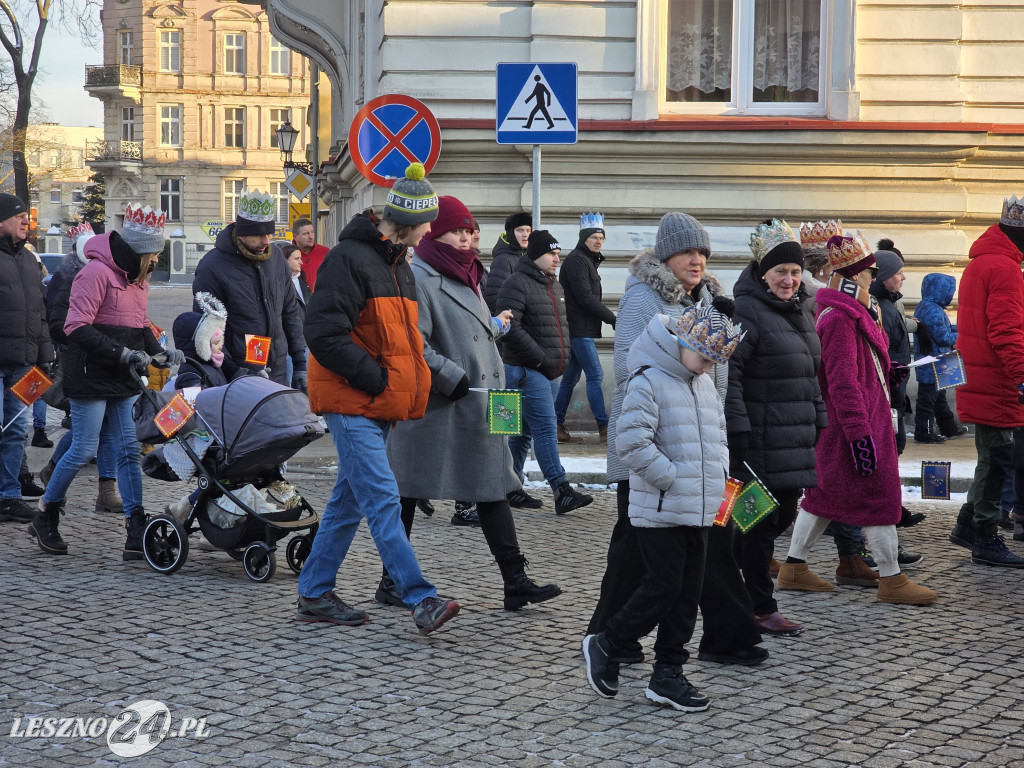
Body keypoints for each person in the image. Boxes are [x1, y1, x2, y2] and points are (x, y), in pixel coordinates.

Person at [590, 212, 763, 668]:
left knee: (712, 544)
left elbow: (719, 378)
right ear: (666, 255)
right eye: (688, 251)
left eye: (703, 252)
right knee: (632, 549)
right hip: (654, 446)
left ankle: (727, 635)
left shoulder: (711, 301)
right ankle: (609, 637)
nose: (697, 260)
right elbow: (629, 366)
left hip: (702, 443)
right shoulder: (644, 299)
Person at [296, 162, 460, 635]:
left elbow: (402, 340)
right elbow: (324, 334)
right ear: (408, 221)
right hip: (353, 402)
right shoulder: (349, 259)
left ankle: (314, 591)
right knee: (383, 497)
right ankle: (420, 597)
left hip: (376, 401)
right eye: (427, 222)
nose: (431, 230)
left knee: (349, 502)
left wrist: (397, 386)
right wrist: (378, 381)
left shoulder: (397, 264)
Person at [384, 195, 562, 611]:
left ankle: (515, 580)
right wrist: (452, 376)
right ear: (435, 234)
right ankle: (391, 580)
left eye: (469, 231)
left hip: (487, 401)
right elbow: (416, 345)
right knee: (408, 490)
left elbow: (474, 334)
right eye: (455, 231)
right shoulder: (422, 278)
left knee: (495, 483)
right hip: (444, 404)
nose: (465, 238)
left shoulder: (468, 275)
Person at [583, 307, 743, 713]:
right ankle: (608, 642)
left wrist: (719, 477)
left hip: (701, 507)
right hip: (661, 508)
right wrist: (672, 479)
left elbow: (718, 435)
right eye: (705, 358)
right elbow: (632, 444)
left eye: (714, 362)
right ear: (684, 344)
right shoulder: (649, 380)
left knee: (688, 594)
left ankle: (668, 673)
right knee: (663, 587)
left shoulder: (702, 383)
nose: (709, 368)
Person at [778, 231, 938, 604]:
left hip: (861, 424)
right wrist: (858, 433)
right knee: (879, 498)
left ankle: (793, 567)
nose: (874, 278)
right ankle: (892, 579)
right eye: (868, 273)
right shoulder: (839, 318)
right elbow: (841, 382)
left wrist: (887, 370)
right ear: (854, 276)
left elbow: (858, 368)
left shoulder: (851, 311)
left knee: (822, 499)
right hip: (857, 428)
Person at [28, 203, 183, 558]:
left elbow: (138, 325)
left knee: (129, 450)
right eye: (154, 254)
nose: (157, 261)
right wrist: (120, 353)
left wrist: (160, 350)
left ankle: (135, 524)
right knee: (83, 447)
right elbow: (74, 326)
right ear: (139, 251)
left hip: (122, 376)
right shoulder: (96, 273)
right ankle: (47, 514)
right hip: (91, 373)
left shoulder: (137, 281)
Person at [726, 219, 827, 637]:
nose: (788, 279)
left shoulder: (803, 309)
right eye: (780, 271)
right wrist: (739, 431)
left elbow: (810, 372)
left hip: (795, 433)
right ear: (763, 273)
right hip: (760, 437)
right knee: (761, 522)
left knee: (777, 515)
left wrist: (820, 419)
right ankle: (759, 605)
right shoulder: (746, 310)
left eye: (795, 272)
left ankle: (731, 578)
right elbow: (728, 374)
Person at [948, 195, 1024, 567]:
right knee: (997, 458)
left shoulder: (984, 262)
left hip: (982, 375)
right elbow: (1007, 332)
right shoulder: (1005, 268)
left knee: (990, 457)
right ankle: (984, 537)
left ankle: (968, 525)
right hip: (995, 378)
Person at [497, 230, 594, 515]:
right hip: (527, 371)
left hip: (548, 371)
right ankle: (561, 489)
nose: (556, 258)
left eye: (557, 253)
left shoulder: (553, 285)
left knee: (522, 432)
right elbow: (509, 327)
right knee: (545, 429)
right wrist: (540, 359)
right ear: (536, 255)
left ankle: (510, 487)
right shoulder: (516, 283)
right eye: (551, 253)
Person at [38, 223, 124, 515]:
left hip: (110, 361)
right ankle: (52, 475)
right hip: (84, 362)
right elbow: (59, 323)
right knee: (85, 434)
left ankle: (107, 490)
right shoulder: (69, 277)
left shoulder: (115, 273)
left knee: (107, 428)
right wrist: (86, 338)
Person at [192, 188, 306, 387]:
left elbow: (290, 312)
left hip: (278, 370)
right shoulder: (213, 267)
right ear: (242, 234)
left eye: (268, 234)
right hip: (238, 375)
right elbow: (207, 330)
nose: (266, 241)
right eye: (258, 235)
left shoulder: (276, 258)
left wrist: (300, 362)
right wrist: (233, 371)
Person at [0, 193, 54, 525]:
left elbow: (41, 315)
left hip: (23, 363)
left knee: (16, 430)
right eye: (18, 216)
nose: (25, 220)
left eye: (26, 216)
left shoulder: (30, 262)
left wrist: (44, 356)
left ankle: (9, 496)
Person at [554, 212, 616, 444]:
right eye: (594, 237)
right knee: (595, 375)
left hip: (582, 328)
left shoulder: (586, 261)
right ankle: (604, 427)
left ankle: (556, 424)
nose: (598, 241)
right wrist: (612, 318)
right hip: (578, 330)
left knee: (570, 378)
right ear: (584, 238)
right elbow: (585, 298)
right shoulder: (578, 261)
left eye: (601, 237)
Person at [913, 273, 966, 443]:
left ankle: (948, 428)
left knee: (939, 398)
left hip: (935, 361)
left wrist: (958, 328)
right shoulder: (933, 310)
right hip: (934, 362)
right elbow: (943, 337)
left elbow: (943, 328)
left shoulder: (927, 306)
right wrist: (963, 335)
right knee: (928, 401)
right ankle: (924, 432)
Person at [869, 249, 911, 454]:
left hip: (895, 394)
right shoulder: (880, 308)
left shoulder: (887, 304)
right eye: (898, 272)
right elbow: (881, 357)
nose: (903, 277)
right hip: (889, 398)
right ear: (884, 278)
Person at [483, 212, 531, 313]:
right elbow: (494, 297)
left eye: (528, 230)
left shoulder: (530, 257)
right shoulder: (503, 260)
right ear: (511, 232)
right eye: (520, 230)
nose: (525, 235)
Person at [283, 243, 311, 388]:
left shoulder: (302, 280)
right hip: (288, 343)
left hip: (305, 340)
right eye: (296, 259)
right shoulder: (281, 283)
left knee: (304, 382)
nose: (301, 262)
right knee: (288, 382)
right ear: (284, 260)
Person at [292, 217, 328, 290]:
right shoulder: (287, 256)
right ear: (295, 237)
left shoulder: (325, 252)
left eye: (312, 232)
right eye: (305, 234)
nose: (311, 237)